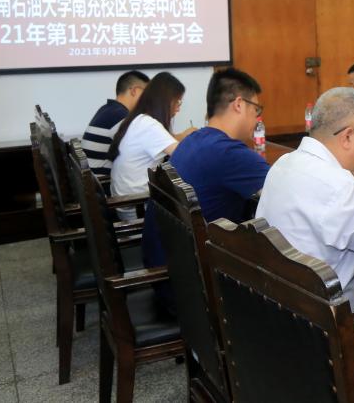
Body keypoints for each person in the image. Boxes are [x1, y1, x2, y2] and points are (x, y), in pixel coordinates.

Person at [256, 86, 354, 312]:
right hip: (331, 321)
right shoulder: (338, 186)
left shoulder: (283, 164)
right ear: (347, 136)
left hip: (278, 307)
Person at [142, 67, 270, 269]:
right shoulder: (228, 152)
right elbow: (285, 191)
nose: (257, 119)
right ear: (239, 104)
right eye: (256, 110)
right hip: (196, 274)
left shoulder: (192, 140)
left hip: (167, 263)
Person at [107, 71, 195, 220]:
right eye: (177, 102)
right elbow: (184, 156)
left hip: (129, 203)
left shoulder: (139, 119)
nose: (178, 108)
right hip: (138, 208)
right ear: (165, 101)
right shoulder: (148, 125)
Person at [80, 70, 149, 179]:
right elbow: (148, 147)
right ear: (134, 91)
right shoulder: (120, 116)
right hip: (103, 183)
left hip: (94, 180)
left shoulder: (108, 109)